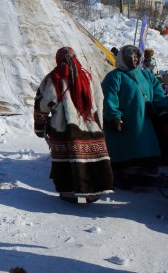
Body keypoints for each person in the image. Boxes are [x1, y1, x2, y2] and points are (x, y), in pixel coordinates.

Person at [34, 47, 113, 203]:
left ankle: (70, 193)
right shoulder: (89, 76)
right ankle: (93, 193)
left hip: (65, 128)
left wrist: (40, 126)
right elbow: (99, 99)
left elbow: (44, 103)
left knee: (67, 160)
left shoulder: (54, 78)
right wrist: (99, 123)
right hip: (90, 127)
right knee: (90, 159)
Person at [101, 45, 168, 185]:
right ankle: (124, 175)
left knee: (146, 145)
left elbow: (158, 94)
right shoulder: (114, 77)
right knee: (127, 147)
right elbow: (109, 98)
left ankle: (146, 175)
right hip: (127, 120)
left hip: (146, 120)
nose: (135, 59)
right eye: (132, 57)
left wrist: (162, 109)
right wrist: (114, 116)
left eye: (137, 57)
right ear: (123, 58)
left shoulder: (146, 75)